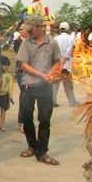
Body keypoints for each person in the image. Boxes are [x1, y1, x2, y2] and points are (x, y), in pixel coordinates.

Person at [16, 15, 61, 165]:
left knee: (44, 120)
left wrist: (51, 74)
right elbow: (24, 65)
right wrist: (42, 74)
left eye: (31, 29)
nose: (28, 32)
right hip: (29, 85)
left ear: (39, 27)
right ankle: (32, 146)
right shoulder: (26, 44)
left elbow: (57, 62)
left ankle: (42, 152)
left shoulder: (52, 43)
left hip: (46, 87)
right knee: (27, 119)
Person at [53, 22, 79, 107]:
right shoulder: (69, 38)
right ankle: (72, 101)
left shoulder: (55, 38)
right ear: (68, 29)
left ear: (60, 29)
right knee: (68, 84)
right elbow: (69, 51)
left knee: (55, 84)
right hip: (65, 66)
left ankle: (52, 101)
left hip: (56, 64)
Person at [13, 20, 28, 133]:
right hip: (21, 71)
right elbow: (22, 54)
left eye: (27, 28)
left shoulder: (32, 41)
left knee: (29, 95)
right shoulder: (17, 42)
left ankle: (27, 120)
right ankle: (22, 122)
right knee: (24, 94)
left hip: (32, 71)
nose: (25, 31)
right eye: (22, 29)